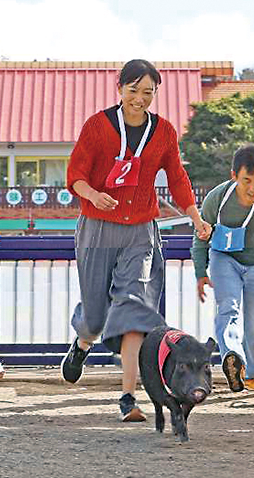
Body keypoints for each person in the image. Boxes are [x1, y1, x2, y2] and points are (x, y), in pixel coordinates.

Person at [60, 59, 212, 421]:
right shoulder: (97, 126)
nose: (140, 99)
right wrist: (93, 195)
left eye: (148, 93)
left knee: (132, 311)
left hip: (142, 230)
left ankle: (128, 397)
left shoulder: (164, 132)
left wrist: (195, 216)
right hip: (98, 225)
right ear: (120, 89)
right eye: (133, 91)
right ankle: (83, 341)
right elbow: (75, 175)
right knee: (97, 318)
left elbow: (177, 178)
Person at [192, 145, 254, 392]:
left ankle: (249, 375)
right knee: (228, 308)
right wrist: (200, 272)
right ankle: (233, 358)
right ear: (233, 176)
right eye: (246, 180)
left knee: (252, 321)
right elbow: (201, 236)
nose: (252, 188)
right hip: (224, 258)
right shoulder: (217, 199)